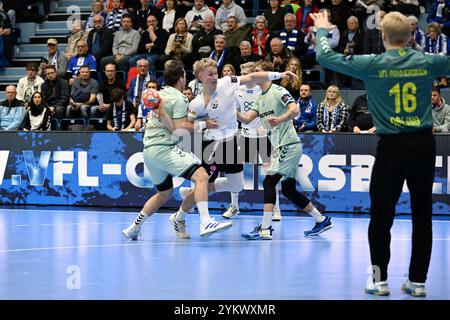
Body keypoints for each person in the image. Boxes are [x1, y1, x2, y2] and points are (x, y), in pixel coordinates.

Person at [312, 10, 450, 297]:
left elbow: (325, 57)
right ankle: (418, 281)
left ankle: (378, 279)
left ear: (383, 37)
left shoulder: (372, 63)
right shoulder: (427, 61)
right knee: (422, 215)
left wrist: (323, 30)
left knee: (381, 217)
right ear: (412, 36)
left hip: (391, 147)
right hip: (424, 144)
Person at [173, 58, 302, 237]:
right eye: (210, 74)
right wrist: (204, 124)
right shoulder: (196, 103)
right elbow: (185, 125)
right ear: (199, 77)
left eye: (215, 73)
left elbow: (252, 77)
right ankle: (180, 217)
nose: (214, 77)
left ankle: (195, 192)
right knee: (204, 183)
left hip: (233, 142)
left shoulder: (226, 83)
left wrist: (279, 74)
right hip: (212, 147)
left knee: (237, 185)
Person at [122, 60, 233, 240]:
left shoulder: (159, 94)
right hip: (164, 148)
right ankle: (205, 221)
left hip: (149, 150)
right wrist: (204, 124)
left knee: (164, 193)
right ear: (181, 77)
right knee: (202, 176)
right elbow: (179, 128)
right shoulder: (179, 98)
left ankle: (134, 227)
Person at [236, 61, 332, 240]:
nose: (254, 74)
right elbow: (247, 119)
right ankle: (322, 219)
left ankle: (265, 228)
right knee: (288, 190)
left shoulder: (278, 91)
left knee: (269, 183)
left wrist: (280, 119)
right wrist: (231, 110)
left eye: (257, 71)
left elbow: (294, 109)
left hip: (289, 145)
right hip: (280, 147)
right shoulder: (259, 98)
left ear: (267, 73)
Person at [223, 61, 282, 220]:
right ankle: (234, 206)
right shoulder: (236, 91)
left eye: (248, 73)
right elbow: (235, 113)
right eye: (242, 74)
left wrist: (267, 125)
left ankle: (276, 208)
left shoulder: (263, 89)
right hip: (244, 134)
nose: (244, 77)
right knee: (234, 170)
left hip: (263, 135)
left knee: (270, 172)